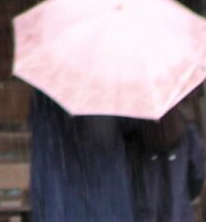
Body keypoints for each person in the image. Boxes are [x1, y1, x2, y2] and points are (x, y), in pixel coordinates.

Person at [26, 84, 137, 222]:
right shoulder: (109, 81)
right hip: (103, 183)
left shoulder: (48, 79)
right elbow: (127, 124)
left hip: (58, 182)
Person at [130, 97, 204, 222]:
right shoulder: (184, 126)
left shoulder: (133, 130)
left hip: (145, 210)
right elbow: (197, 173)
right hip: (179, 209)